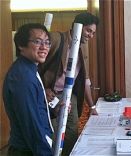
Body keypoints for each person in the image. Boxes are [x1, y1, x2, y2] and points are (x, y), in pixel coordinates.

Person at [38, 12, 99, 155]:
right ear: (77, 26)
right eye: (88, 30)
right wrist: (43, 88)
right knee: (52, 133)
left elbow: (85, 80)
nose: (91, 35)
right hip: (50, 95)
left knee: (72, 132)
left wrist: (92, 106)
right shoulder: (56, 39)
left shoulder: (82, 48)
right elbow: (36, 65)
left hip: (69, 95)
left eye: (93, 33)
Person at [3, 23, 54, 156]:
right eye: (37, 42)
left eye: (47, 42)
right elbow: (31, 124)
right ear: (21, 45)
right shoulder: (23, 77)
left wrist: (55, 109)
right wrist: (45, 152)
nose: (44, 47)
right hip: (28, 150)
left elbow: (35, 108)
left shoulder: (29, 68)